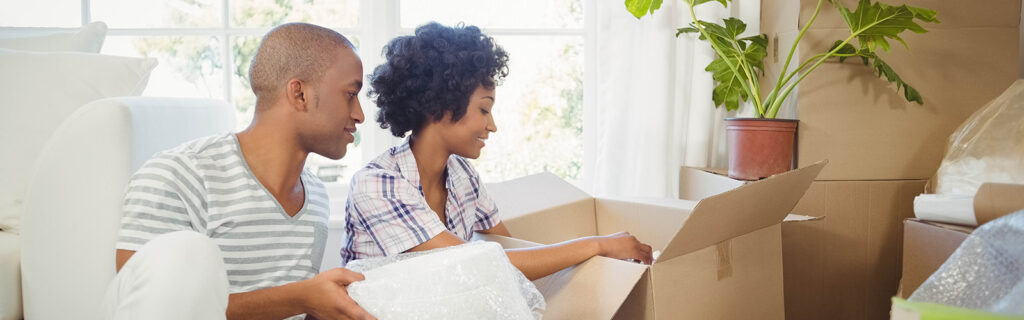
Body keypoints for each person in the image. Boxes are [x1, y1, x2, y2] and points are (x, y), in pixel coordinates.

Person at [343, 22, 653, 281]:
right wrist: (596, 245)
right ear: (440, 106)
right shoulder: (376, 184)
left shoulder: (463, 175)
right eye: (484, 109)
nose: (492, 126)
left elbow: (507, 249)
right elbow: (472, 262)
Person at [106, 23, 374, 320]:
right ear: (299, 94)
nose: (359, 115)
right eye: (351, 94)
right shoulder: (177, 176)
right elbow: (149, 311)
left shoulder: (317, 199)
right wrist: (302, 298)